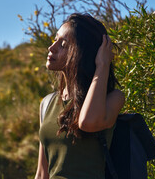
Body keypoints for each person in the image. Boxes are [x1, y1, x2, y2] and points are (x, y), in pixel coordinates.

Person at [35, 13, 125, 179]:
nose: (51, 47)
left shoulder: (113, 98)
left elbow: (88, 122)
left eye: (62, 44)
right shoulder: (47, 103)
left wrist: (102, 65)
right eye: (54, 40)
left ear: (82, 53)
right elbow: (42, 173)